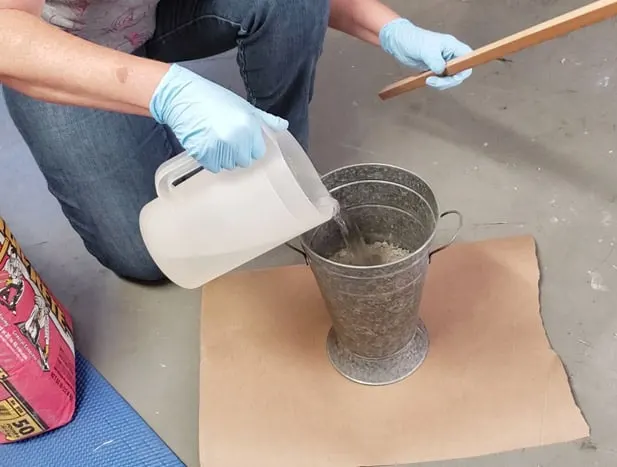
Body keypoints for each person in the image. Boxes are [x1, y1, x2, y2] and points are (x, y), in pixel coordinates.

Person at [0, 0, 473, 283]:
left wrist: (390, 28)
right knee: (144, 253)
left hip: (156, 10)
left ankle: (277, 162)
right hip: (53, 37)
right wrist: (166, 92)